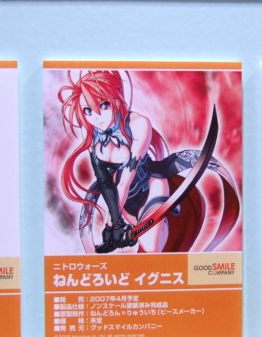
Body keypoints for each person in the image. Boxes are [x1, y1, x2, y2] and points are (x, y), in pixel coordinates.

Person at [58, 69, 239, 253]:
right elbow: (106, 185)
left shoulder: (138, 124)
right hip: (125, 204)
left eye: (103, 105)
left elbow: (126, 179)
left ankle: (171, 219)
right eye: (88, 111)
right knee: (151, 250)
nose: (97, 117)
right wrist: (113, 225)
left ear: (116, 99)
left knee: (151, 246)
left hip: (151, 186)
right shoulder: (93, 140)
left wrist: (113, 224)